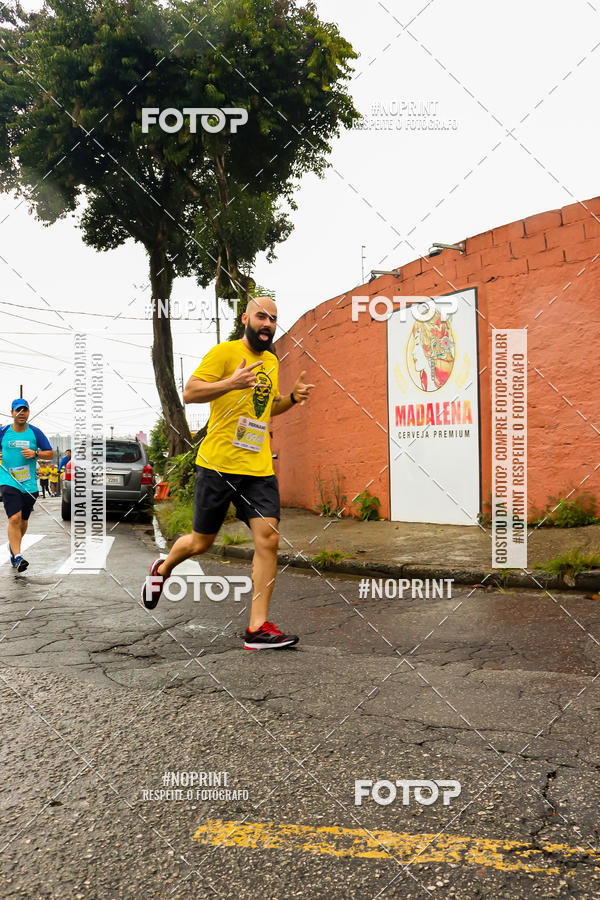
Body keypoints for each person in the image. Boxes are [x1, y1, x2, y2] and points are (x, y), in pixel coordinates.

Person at [142, 296, 315, 649]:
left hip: (257, 467)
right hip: (218, 465)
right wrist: (229, 383)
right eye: (262, 316)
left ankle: (257, 628)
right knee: (200, 543)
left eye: (273, 319)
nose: (268, 323)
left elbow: (266, 408)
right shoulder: (224, 353)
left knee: (268, 539)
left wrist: (292, 399)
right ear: (246, 318)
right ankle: (162, 569)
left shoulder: (270, 361)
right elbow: (190, 393)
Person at [0, 400, 53, 572]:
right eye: (18, 410)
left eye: (25, 410)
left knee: (23, 521)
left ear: (28, 413)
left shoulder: (35, 433)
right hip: (9, 480)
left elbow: (50, 454)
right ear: (12, 412)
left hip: (29, 484)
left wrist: (36, 453)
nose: (21, 413)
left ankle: (13, 547)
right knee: (14, 518)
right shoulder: (3, 432)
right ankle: (17, 557)